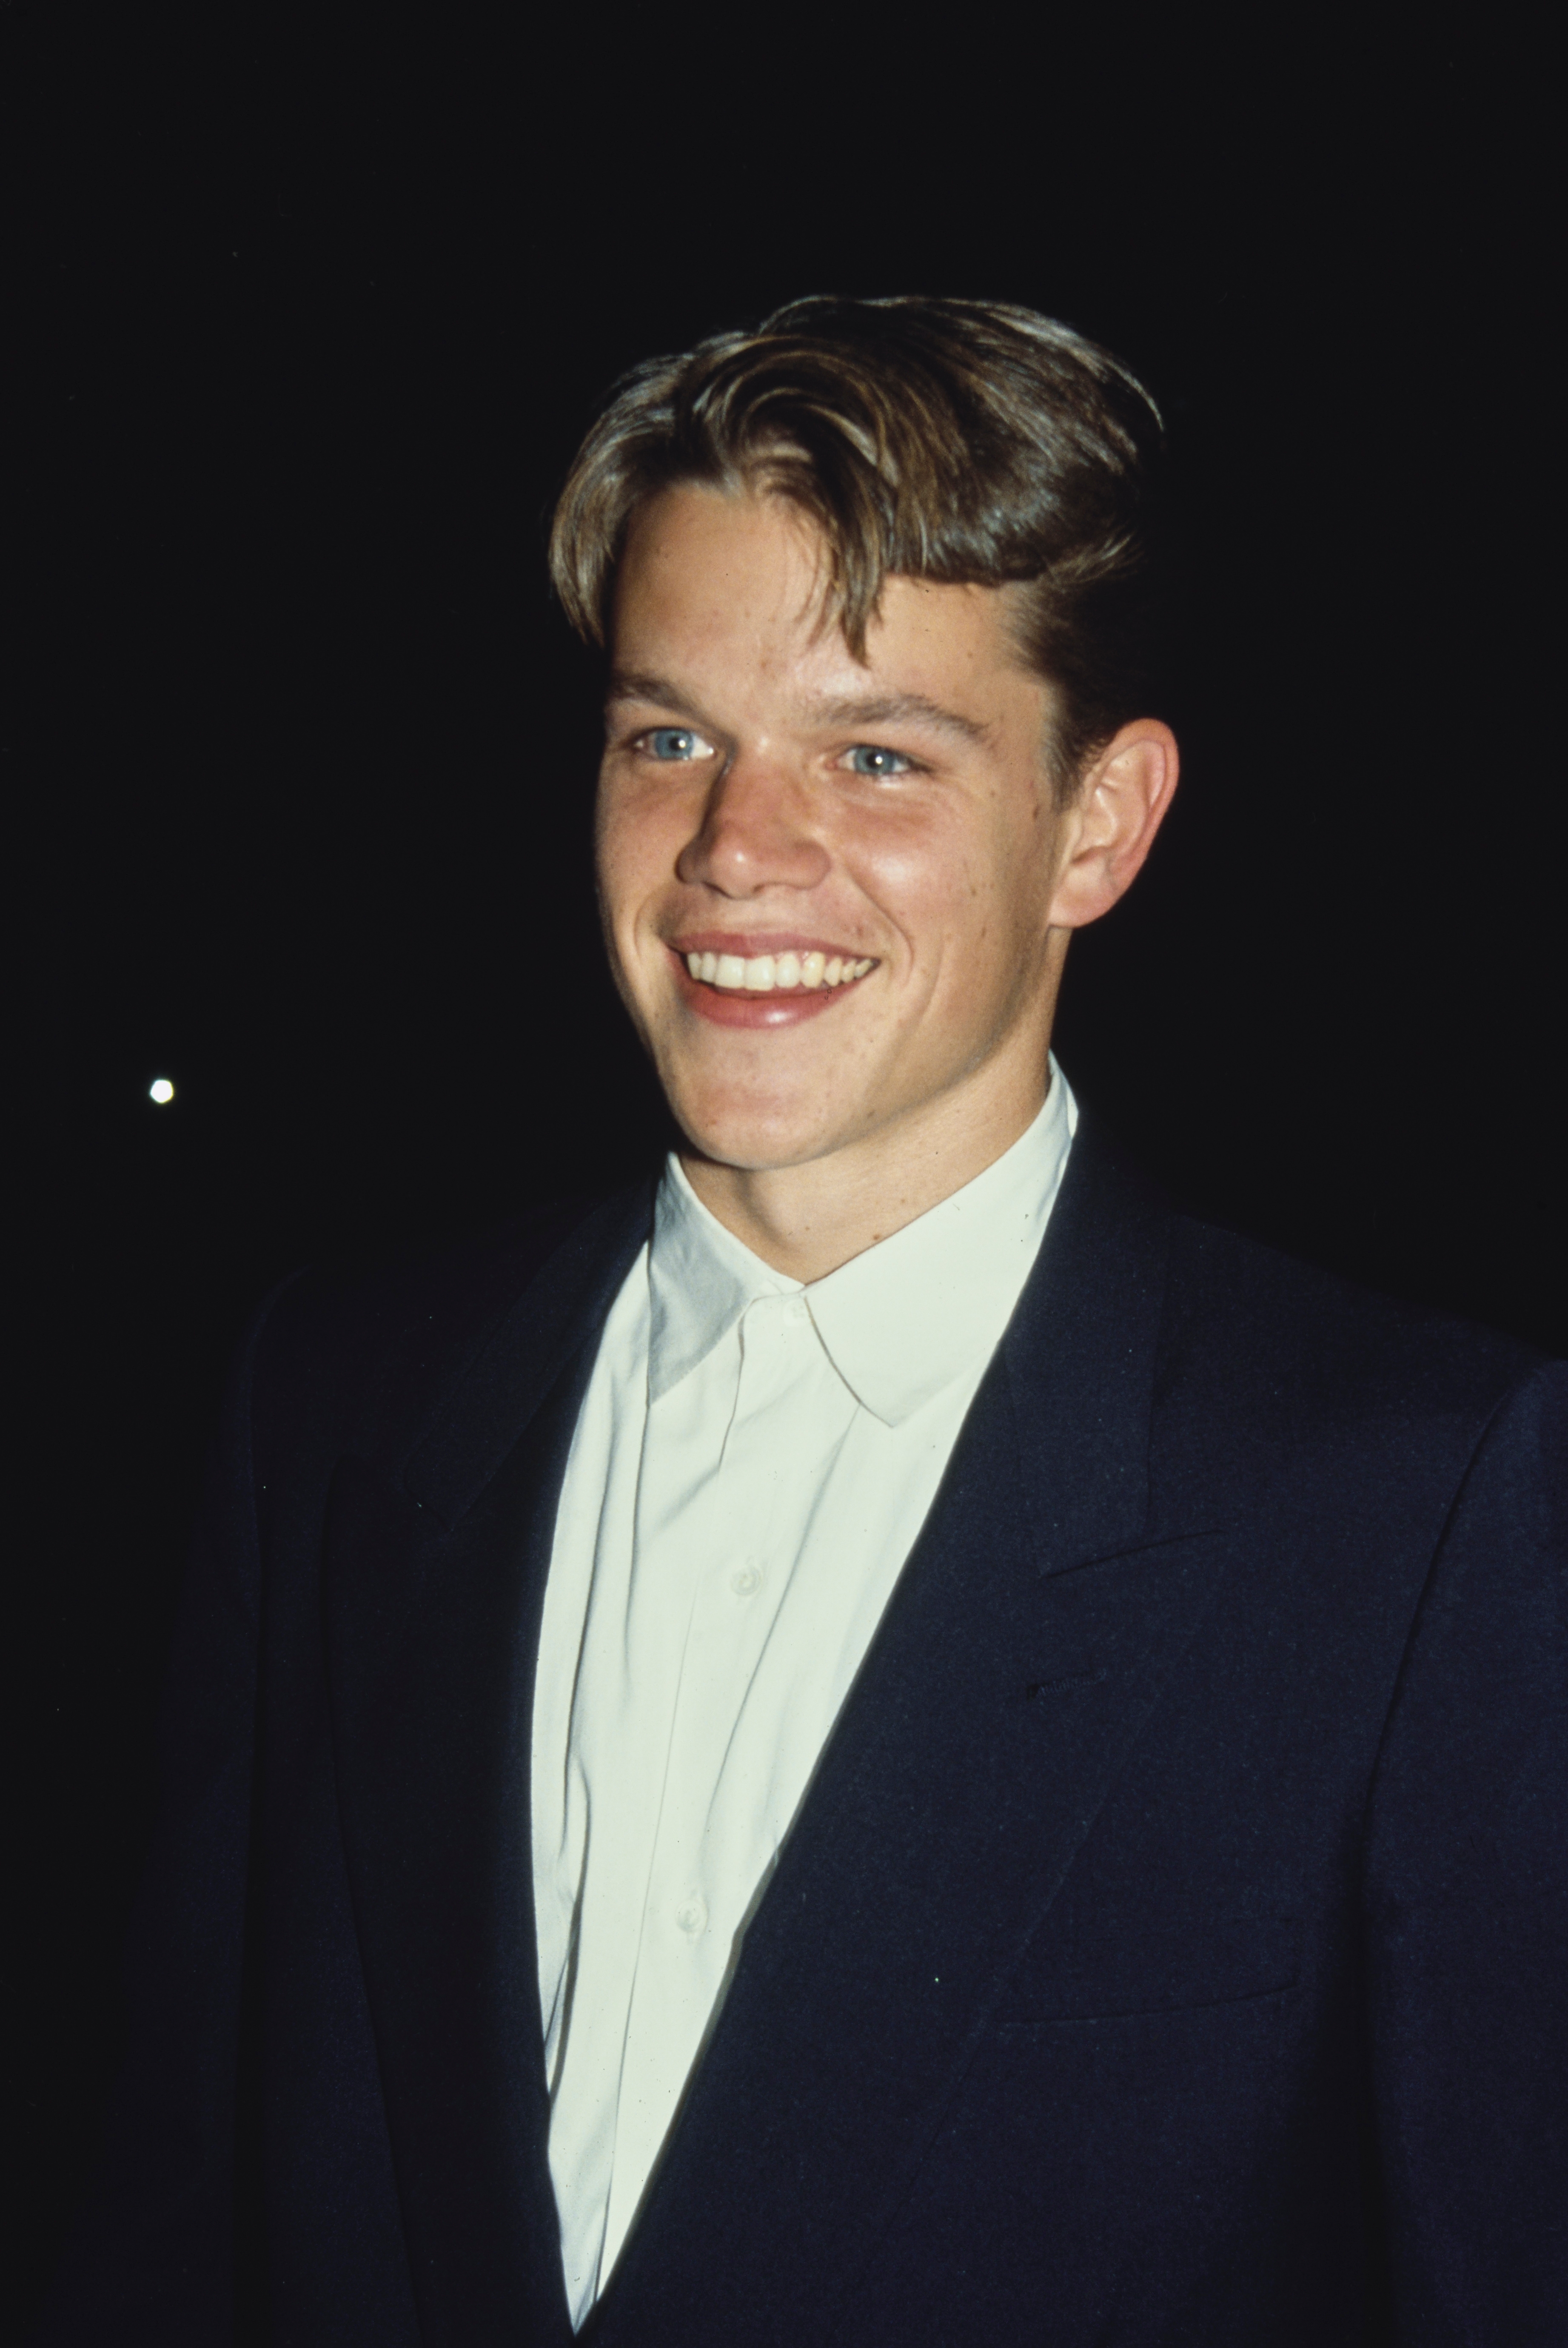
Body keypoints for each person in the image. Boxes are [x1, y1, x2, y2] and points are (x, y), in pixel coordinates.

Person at [36, 296, 1565, 2346]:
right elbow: (174, 2228)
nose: (735, 856)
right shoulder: (335, 1402)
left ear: (1097, 826)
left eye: (874, 755)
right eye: (669, 739)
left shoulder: (1420, 1506)